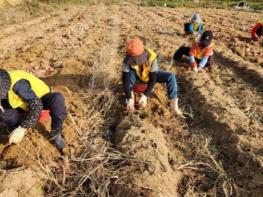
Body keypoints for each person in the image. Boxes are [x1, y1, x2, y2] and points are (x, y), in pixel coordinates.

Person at [0, 69, 67, 151]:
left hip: (39, 100)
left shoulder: (19, 85)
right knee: (3, 114)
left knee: (57, 98)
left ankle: (55, 132)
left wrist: (22, 128)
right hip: (21, 104)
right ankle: (14, 129)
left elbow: (37, 106)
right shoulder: (3, 83)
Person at [121, 38, 182, 115]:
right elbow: (126, 81)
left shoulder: (152, 58)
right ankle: (131, 100)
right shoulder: (126, 62)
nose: (136, 62)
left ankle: (173, 105)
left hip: (148, 77)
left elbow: (153, 79)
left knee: (171, 76)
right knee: (130, 77)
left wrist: (145, 96)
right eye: (133, 60)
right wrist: (129, 98)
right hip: (135, 78)